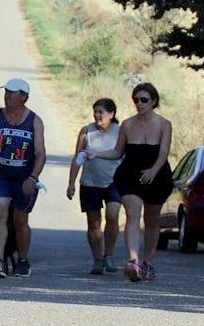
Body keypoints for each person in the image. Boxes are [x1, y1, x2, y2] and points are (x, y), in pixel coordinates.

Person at [86, 83, 172, 282]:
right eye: (136, 100)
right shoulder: (127, 124)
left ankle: (147, 262)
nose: (139, 104)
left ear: (153, 101)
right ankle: (133, 260)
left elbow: (164, 152)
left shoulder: (163, 124)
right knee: (132, 214)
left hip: (157, 174)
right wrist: (97, 154)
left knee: (152, 220)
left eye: (144, 100)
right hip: (131, 173)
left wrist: (153, 170)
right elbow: (118, 151)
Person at [0, 78, 46, 278]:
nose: (7, 96)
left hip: (24, 177)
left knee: (20, 219)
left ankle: (23, 259)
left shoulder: (34, 121)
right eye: (6, 92)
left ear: (24, 97)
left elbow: (41, 154)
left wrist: (33, 177)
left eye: (12, 92)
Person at [66, 98, 121, 275]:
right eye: (95, 112)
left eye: (101, 112)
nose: (98, 115)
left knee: (112, 215)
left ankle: (109, 255)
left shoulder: (120, 132)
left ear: (111, 114)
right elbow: (77, 158)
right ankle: (98, 259)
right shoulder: (86, 131)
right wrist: (71, 183)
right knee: (94, 223)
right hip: (90, 183)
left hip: (114, 182)